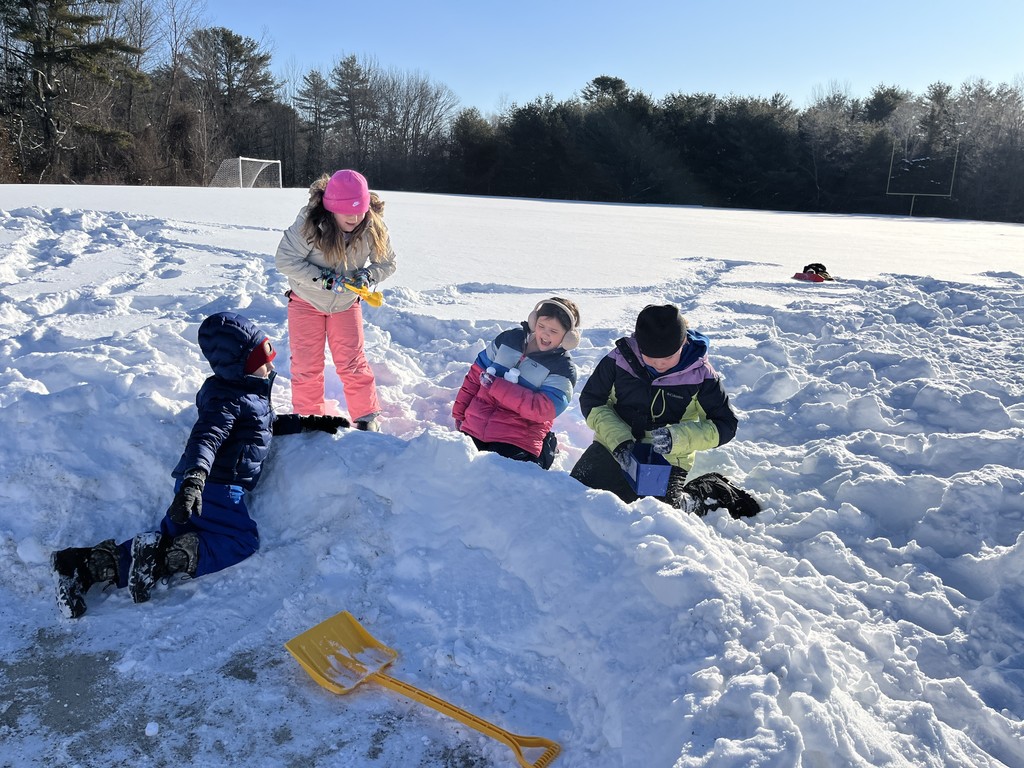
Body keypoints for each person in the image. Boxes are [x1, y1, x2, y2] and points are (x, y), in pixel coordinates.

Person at [50, 312, 349, 619]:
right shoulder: (229, 402)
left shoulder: (240, 395)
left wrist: (311, 422)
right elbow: (206, 437)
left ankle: (84, 566)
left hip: (195, 487)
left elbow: (266, 424)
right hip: (216, 489)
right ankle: (170, 560)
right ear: (241, 364)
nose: (271, 367)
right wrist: (196, 478)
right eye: (264, 360)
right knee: (240, 540)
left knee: (162, 538)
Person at [570, 304, 758, 518]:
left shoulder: (700, 374)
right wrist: (619, 440)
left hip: (667, 457)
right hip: (614, 446)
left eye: (668, 358)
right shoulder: (619, 360)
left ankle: (707, 491)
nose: (659, 364)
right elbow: (592, 401)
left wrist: (676, 438)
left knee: (661, 514)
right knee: (577, 493)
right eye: (650, 357)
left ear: (683, 343)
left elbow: (725, 424)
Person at [274, 169, 397, 431]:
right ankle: (309, 418)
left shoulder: (373, 226)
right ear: (331, 208)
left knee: (353, 361)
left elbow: (387, 263)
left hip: (346, 304)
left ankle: (366, 416)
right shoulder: (310, 224)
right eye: (346, 212)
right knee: (307, 363)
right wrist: (326, 280)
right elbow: (285, 260)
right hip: (306, 301)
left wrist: (367, 276)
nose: (354, 217)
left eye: (359, 210)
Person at [452, 297, 581, 469]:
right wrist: (459, 413)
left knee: (498, 476)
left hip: (518, 437)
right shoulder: (508, 339)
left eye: (554, 331)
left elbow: (543, 409)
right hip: (476, 423)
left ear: (568, 338)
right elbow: (475, 377)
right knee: (456, 468)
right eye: (541, 326)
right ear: (533, 321)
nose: (545, 334)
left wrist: (498, 387)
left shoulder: (563, 369)